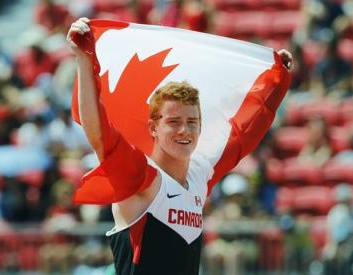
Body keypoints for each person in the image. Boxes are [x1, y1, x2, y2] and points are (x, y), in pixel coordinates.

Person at [66, 17, 292, 275]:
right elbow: (100, 137)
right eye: (174, 122)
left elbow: (243, 137)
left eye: (192, 122)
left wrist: (276, 82)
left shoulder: (198, 175)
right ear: (153, 128)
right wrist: (83, 61)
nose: (184, 130)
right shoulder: (143, 179)